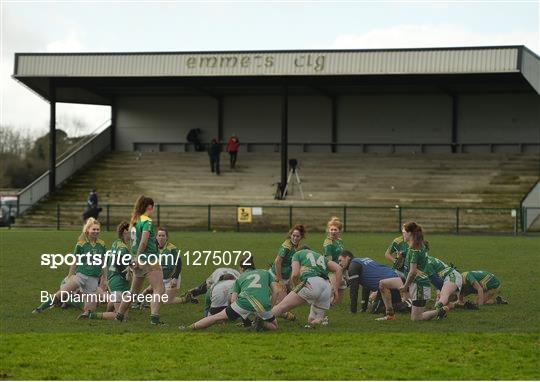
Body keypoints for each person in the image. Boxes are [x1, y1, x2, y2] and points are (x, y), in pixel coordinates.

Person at [33, 218, 108, 317]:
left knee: (90, 309)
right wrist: (70, 275)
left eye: (98, 229)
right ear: (88, 230)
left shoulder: (102, 244)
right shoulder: (81, 244)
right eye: (94, 229)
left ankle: (79, 309)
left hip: (93, 279)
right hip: (81, 275)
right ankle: (40, 308)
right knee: (61, 294)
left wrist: (105, 278)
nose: (96, 231)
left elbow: (103, 262)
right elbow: (75, 261)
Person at [181, 256, 279, 331]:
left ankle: (189, 328)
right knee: (274, 326)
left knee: (215, 317)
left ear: (242, 268)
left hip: (244, 302)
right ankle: (262, 324)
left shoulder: (239, 278)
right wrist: (270, 307)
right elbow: (276, 291)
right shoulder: (265, 273)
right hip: (264, 304)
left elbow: (233, 300)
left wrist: (240, 314)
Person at [115, 196, 166, 325]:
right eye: (152, 206)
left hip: (138, 260)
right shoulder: (147, 222)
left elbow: (134, 243)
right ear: (149, 207)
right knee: (159, 289)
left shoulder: (134, 222)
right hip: (149, 259)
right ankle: (154, 319)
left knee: (133, 292)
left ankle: (119, 316)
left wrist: (135, 258)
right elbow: (143, 242)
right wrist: (138, 257)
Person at [272, 249, 342, 327]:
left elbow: (295, 275)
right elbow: (338, 268)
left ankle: (262, 320)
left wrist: (297, 287)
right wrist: (336, 290)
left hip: (311, 282)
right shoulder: (320, 256)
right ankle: (321, 320)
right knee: (312, 319)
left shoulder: (298, 254)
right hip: (326, 286)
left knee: (281, 306)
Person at [389, 222, 443, 322]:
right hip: (420, 285)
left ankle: (440, 311)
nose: (402, 235)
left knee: (416, 318)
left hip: (419, 286)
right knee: (416, 315)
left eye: (404, 232)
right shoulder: (418, 246)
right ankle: (437, 311)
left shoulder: (414, 250)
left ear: (410, 234)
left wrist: (405, 286)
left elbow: (412, 272)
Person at [88, 221, 132, 320]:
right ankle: (92, 315)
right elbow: (118, 260)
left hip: (114, 279)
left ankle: (107, 312)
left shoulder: (116, 243)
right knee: (122, 316)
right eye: (131, 231)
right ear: (125, 232)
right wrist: (125, 275)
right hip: (118, 282)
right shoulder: (123, 248)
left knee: (119, 303)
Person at [338, 251, 404, 314]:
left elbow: (354, 289)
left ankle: (406, 304)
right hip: (396, 279)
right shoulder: (362, 260)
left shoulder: (353, 266)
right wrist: (364, 307)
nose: (339, 264)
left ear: (347, 257)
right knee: (392, 303)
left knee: (376, 309)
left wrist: (353, 310)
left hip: (388, 285)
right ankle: (405, 304)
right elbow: (366, 286)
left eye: (340, 260)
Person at [137, 227, 184, 305]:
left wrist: (175, 278)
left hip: (171, 278)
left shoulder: (172, 248)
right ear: (156, 237)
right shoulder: (153, 248)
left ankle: (186, 298)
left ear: (167, 237)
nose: (161, 238)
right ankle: (138, 302)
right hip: (160, 277)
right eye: (159, 235)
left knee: (167, 301)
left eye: (163, 235)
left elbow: (179, 263)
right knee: (147, 292)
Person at [268, 224, 306, 321]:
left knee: (287, 299)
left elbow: (291, 266)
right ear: (290, 235)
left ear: (301, 237)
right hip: (276, 276)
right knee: (282, 303)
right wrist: (280, 280)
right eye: (293, 235)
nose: (295, 238)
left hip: (284, 278)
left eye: (297, 236)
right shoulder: (287, 246)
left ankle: (268, 311)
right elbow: (277, 262)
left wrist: (288, 281)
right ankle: (270, 317)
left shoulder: (296, 247)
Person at [322, 217, 347, 304]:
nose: (333, 231)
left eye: (335, 230)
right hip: (332, 268)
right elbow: (328, 260)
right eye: (331, 229)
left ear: (339, 231)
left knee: (342, 285)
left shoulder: (340, 241)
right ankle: (327, 304)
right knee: (333, 287)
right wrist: (334, 271)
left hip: (340, 267)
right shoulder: (328, 243)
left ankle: (337, 305)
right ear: (328, 230)